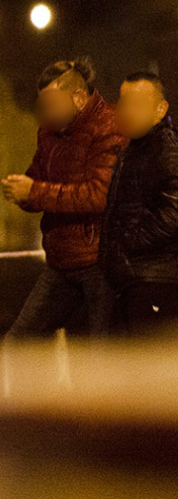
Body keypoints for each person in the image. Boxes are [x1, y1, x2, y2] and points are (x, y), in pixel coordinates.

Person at [2, 59, 126, 338]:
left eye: (53, 103)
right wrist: (20, 190)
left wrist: (34, 192)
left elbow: (99, 195)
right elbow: (38, 179)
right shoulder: (49, 132)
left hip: (100, 263)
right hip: (60, 261)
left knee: (99, 359)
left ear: (79, 98)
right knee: (19, 343)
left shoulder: (111, 126)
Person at [101, 72, 178, 335]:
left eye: (138, 103)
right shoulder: (136, 148)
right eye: (124, 102)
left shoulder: (165, 149)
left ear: (160, 109)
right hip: (133, 281)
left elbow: (174, 213)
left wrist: (126, 242)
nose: (128, 111)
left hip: (154, 282)